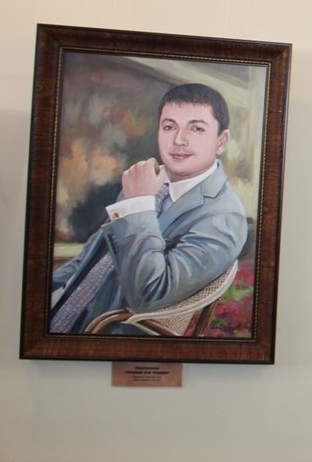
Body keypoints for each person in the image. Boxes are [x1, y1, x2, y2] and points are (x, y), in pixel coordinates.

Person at [49, 83, 248, 335]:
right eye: (169, 127)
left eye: (196, 128)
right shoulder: (149, 181)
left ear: (221, 141)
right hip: (65, 312)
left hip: (106, 333)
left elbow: (151, 294)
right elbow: (92, 257)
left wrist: (139, 205)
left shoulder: (224, 218)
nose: (178, 140)